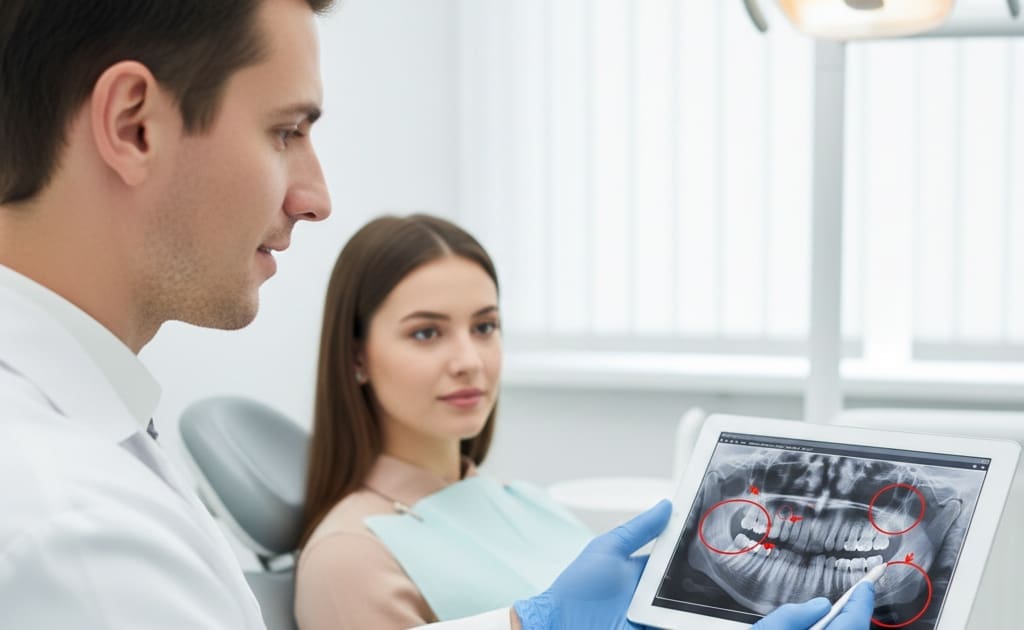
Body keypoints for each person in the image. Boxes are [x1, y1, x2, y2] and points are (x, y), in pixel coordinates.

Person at [0, 2, 875, 629]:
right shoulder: (70, 525)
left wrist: (528, 624)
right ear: (134, 125)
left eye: (485, 325)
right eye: (284, 131)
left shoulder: (100, 430)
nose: (316, 197)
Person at [296, 214, 597, 629]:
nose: (469, 362)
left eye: (484, 327)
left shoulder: (525, 500)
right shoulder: (349, 557)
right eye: (426, 333)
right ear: (356, 357)